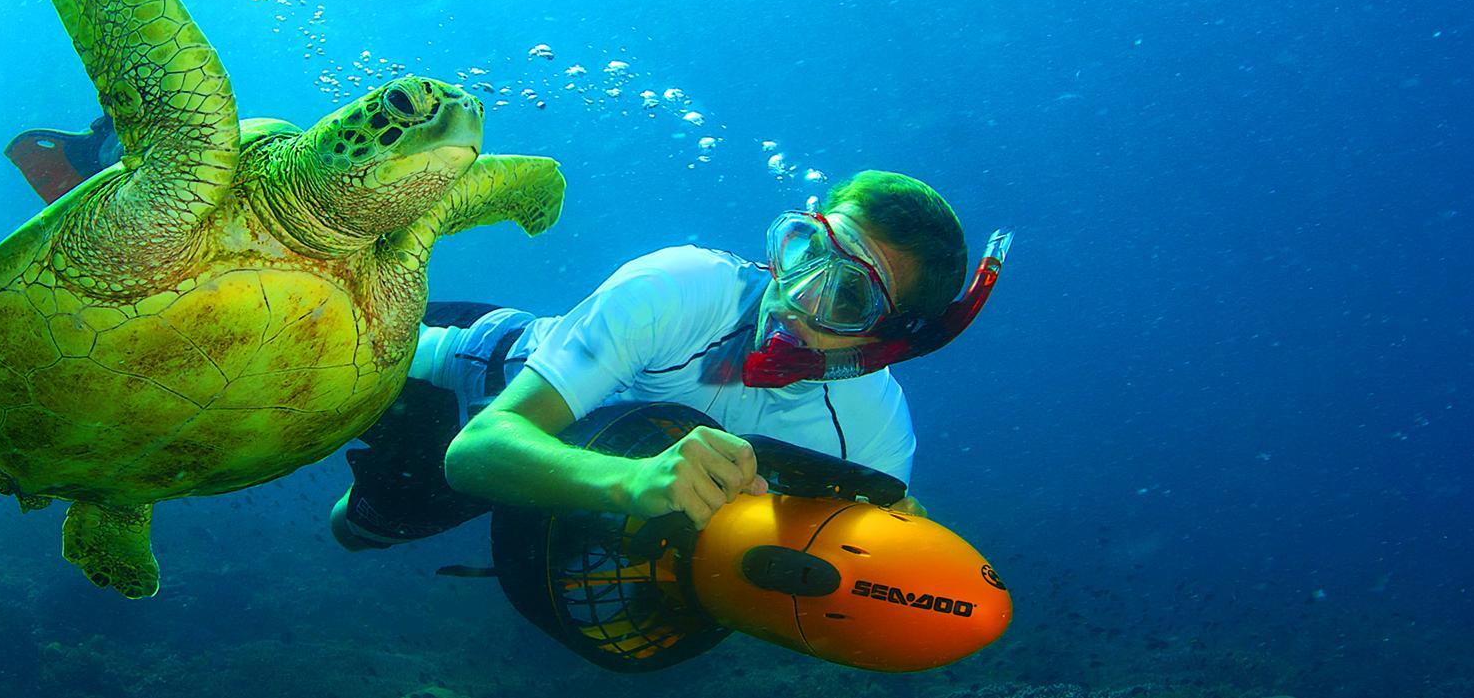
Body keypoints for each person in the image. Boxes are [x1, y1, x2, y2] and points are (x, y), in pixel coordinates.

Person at [330, 170, 990, 551]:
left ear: (889, 340)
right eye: (806, 250)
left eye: (847, 295)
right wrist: (635, 482)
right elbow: (478, 449)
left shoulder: (871, 440)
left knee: (357, 532)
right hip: (457, 372)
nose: (796, 296)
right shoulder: (683, 286)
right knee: (295, 386)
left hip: (552, 486)